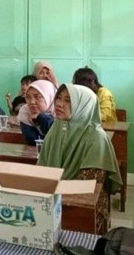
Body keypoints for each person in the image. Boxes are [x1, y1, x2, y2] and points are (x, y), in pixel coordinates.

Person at [38, 83, 121, 235]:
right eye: (59, 98)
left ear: (84, 106)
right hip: (54, 194)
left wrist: (53, 190)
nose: (59, 104)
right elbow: (42, 168)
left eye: (68, 100)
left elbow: (88, 186)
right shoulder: (57, 128)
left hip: (84, 203)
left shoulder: (97, 138)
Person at [17, 79, 56, 145]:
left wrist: (41, 117)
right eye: (28, 97)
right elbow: (32, 140)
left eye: (37, 96)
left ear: (49, 96)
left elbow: (58, 137)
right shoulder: (25, 111)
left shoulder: (60, 112)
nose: (32, 102)